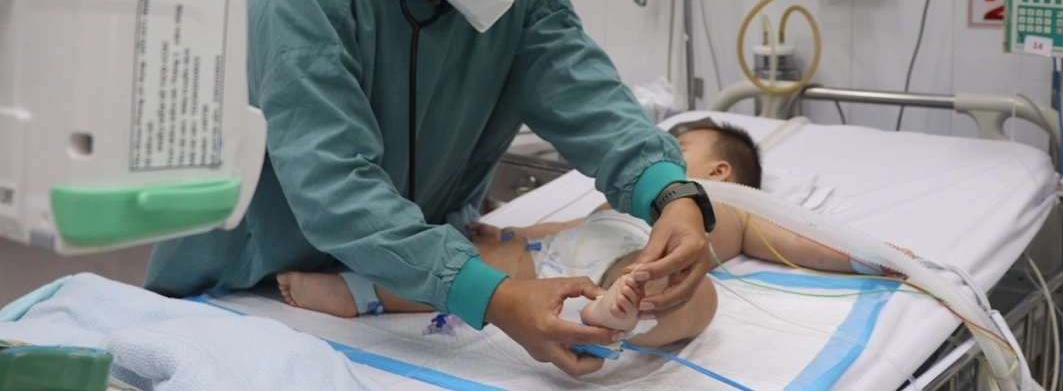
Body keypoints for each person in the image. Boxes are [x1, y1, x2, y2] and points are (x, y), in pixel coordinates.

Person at [143, 0, 714, 378]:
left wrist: (672, 195)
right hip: (247, 284)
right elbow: (334, 184)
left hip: (399, 278)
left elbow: (586, 95)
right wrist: (493, 297)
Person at [276, 120, 906, 350]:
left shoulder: (727, 205)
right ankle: (360, 292)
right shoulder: (628, 195)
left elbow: (797, 238)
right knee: (469, 262)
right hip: (560, 255)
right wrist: (514, 230)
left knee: (695, 298)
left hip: (636, 262)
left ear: (718, 172)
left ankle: (622, 310)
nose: (662, 156)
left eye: (679, 146)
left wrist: (870, 255)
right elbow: (570, 228)